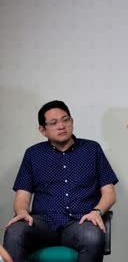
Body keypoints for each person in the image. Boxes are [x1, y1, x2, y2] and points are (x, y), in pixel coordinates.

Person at [3, 100, 119, 262]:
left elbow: (109, 192)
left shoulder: (92, 150)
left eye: (66, 119)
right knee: (15, 231)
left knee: (92, 235)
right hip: (43, 224)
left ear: (72, 121)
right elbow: (22, 197)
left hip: (80, 222)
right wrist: (22, 212)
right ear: (42, 130)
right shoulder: (33, 154)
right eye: (53, 123)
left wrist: (96, 212)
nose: (61, 126)